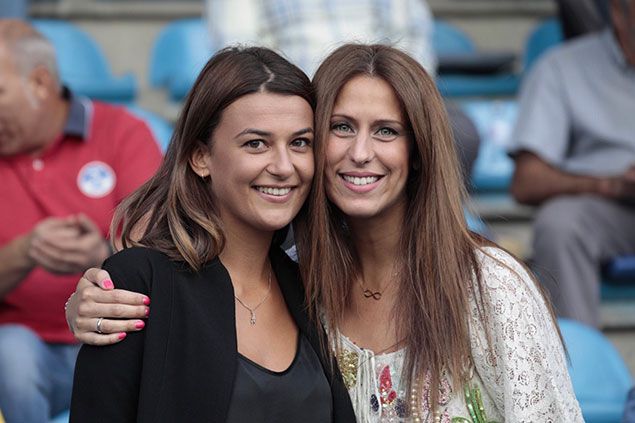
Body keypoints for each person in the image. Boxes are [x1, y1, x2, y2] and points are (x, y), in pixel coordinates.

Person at [68, 43, 582, 421]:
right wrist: (91, 299)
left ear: (419, 152)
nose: (360, 153)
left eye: (386, 131)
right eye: (341, 127)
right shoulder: (309, 283)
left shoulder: (486, 286)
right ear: (201, 156)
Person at [69, 46, 356, 422]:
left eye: (299, 142)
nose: (284, 166)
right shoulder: (140, 282)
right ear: (200, 156)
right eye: (256, 143)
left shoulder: (310, 286)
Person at [0, 20, 162, 423]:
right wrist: (22, 253)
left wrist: (104, 254)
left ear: (40, 83)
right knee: (11, 354)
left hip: (119, 336)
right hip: (26, 347)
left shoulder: (122, 131)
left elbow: (162, 251)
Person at [205, 0, 481, 182]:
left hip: (383, 91)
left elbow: (413, 43)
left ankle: (431, 235)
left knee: (460, 132)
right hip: (296, 101)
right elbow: (246, 58)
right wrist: (310, 100)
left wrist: (385, 92)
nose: (361, 154)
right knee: (289, 141)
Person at [507, 0, 635, 327]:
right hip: (610, 208)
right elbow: (526, 181)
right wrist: (610, 184)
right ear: (619, 14)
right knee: (559, 224)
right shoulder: (562, 68)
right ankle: (577, 354)